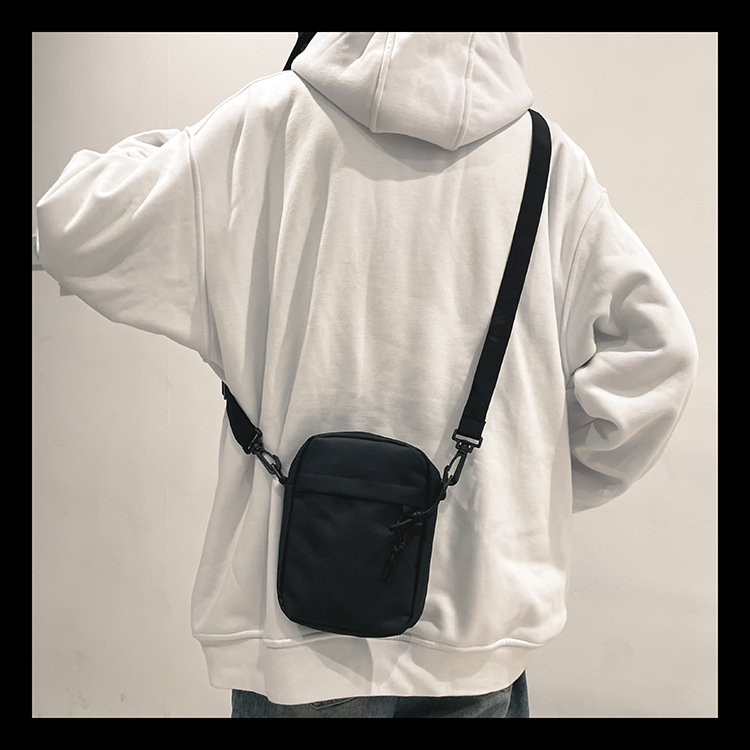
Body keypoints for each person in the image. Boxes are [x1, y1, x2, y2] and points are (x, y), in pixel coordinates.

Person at [36, 32, 698, 719]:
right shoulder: (548, 163)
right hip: (476, 631)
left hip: (296, 634)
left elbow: (74, 226)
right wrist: (537, 484)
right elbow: (659, 358)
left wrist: (185, 155)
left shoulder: (267, 124)